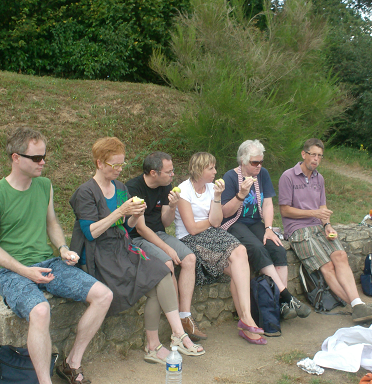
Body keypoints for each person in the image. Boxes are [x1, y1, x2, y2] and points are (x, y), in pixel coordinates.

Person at [0, 127, 113, 384]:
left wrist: (63, 249)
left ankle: (71, 363)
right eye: (36, 158)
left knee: (104, 295)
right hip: (10, 271)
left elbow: (52, 223)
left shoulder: (44, 185)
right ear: (16, 157)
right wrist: (24, 270)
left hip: (48, 262)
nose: (43, 162)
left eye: (44, 156)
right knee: (40, 311)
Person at [69, 137, 204, 365]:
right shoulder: (86, 193)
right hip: (98, 255)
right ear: (100, 163)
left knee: (161, 274)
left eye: (122, 164)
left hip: (121, 248)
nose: (120, 170)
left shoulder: (120, 188)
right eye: (115, 165)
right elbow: (91, 232)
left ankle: (162, 341)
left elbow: (126, 227)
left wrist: (134, 215)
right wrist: (121, 210)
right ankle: (175, 336)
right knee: (156, 277)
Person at [279, 138, 372, 323]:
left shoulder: (319, 178)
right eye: (313, 154)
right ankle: (358, 306)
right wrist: (313, 212)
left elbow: (322, 207)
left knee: (341, 256)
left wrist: (327, 224)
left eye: (320, 156)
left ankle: (359, 307)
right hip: (298, 230)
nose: (316, 159)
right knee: (327, 266)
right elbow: (284, 210)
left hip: (319, 226)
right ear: (303, 154)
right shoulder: (288, 176)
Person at [175, 152, 267, 345]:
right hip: (189, 239)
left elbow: (216, 222)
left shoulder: (211, 188)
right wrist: (209, 222)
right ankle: (246, 322)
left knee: (240, 253)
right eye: (211, 168)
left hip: (210, 234)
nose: (216, 172)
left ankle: (246, 318)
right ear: (199, 170)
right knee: (238, 259)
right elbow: (191, 229)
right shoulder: (184, 190)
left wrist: (217, 197)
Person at [221, 140, 311, 320]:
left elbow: (268, 202)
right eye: (255, 162)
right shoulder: (230, 177)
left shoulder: (263, 174)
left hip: (255, 221)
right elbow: (225, 213)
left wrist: (269, 228)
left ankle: (280, 305)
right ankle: (286, 297)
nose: (259, 166)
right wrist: (241, 195)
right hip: (234, 223)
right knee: (257, 248)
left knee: (276, 247)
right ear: (243, 161)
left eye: (261, 161)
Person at [126, 152, 205, 341]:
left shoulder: (165, 186)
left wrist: (172, 206)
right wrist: (167, 249)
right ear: (153, 173)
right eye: (168, 172)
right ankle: (176, 325)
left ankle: (184, 317)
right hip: (136, 238)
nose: (172, 175)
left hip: (158, 233)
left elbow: (165, 222)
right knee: (167, 264)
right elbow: (141, 229)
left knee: (189, 259)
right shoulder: (133, 188)